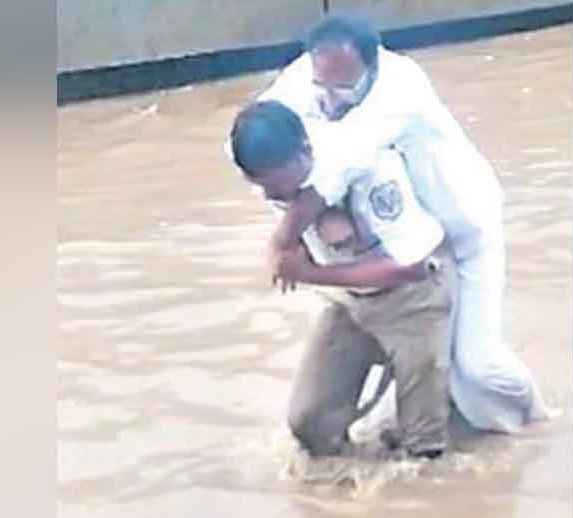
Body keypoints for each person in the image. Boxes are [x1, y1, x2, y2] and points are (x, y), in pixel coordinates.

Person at [258, 14, 552, 433]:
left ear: (373, 65)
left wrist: (282, 241)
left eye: (345, 88)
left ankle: (536, 415)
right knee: (418, 380)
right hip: (401, 232)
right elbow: (256, 138)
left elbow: (343, 159)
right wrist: (321, 216)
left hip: (464, 230)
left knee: (477, 368)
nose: (331, 100)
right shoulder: (307, 76)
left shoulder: (400, 87)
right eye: (323, 86)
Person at [229, 100, 456, 458]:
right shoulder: (265, 169)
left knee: (423, 447)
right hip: (350, 299)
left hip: (414, 296)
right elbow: (285, 228)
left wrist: (309, 273)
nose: (282, 199)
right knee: (308, 423)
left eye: (290, 189)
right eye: (273, 193)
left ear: (306, 152)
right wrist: (297, 234)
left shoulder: (372, 171)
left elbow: (409, 266)